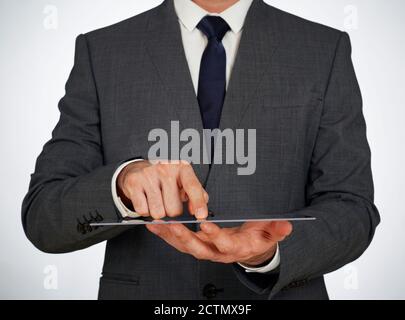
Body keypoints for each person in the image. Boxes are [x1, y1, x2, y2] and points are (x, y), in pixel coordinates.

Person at [22, 0, 380, 300]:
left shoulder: (322, 49)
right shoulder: (102, 51)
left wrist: (269, 254)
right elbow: (43, 217)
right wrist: (121, 186)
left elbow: (353, 207)